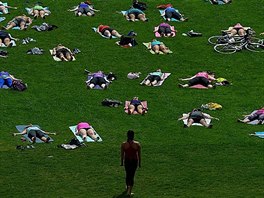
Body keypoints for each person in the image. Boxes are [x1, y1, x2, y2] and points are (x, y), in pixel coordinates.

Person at [121, 130, 141, 197]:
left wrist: (121, 162)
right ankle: (129, 191)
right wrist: (140, 163)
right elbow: (139, 155)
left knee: (127, 174)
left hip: (127, 161)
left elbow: (122, 154)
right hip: (134, 161)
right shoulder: (137, 144)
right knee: (132, 175)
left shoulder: (124, 144)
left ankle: (127, 187)